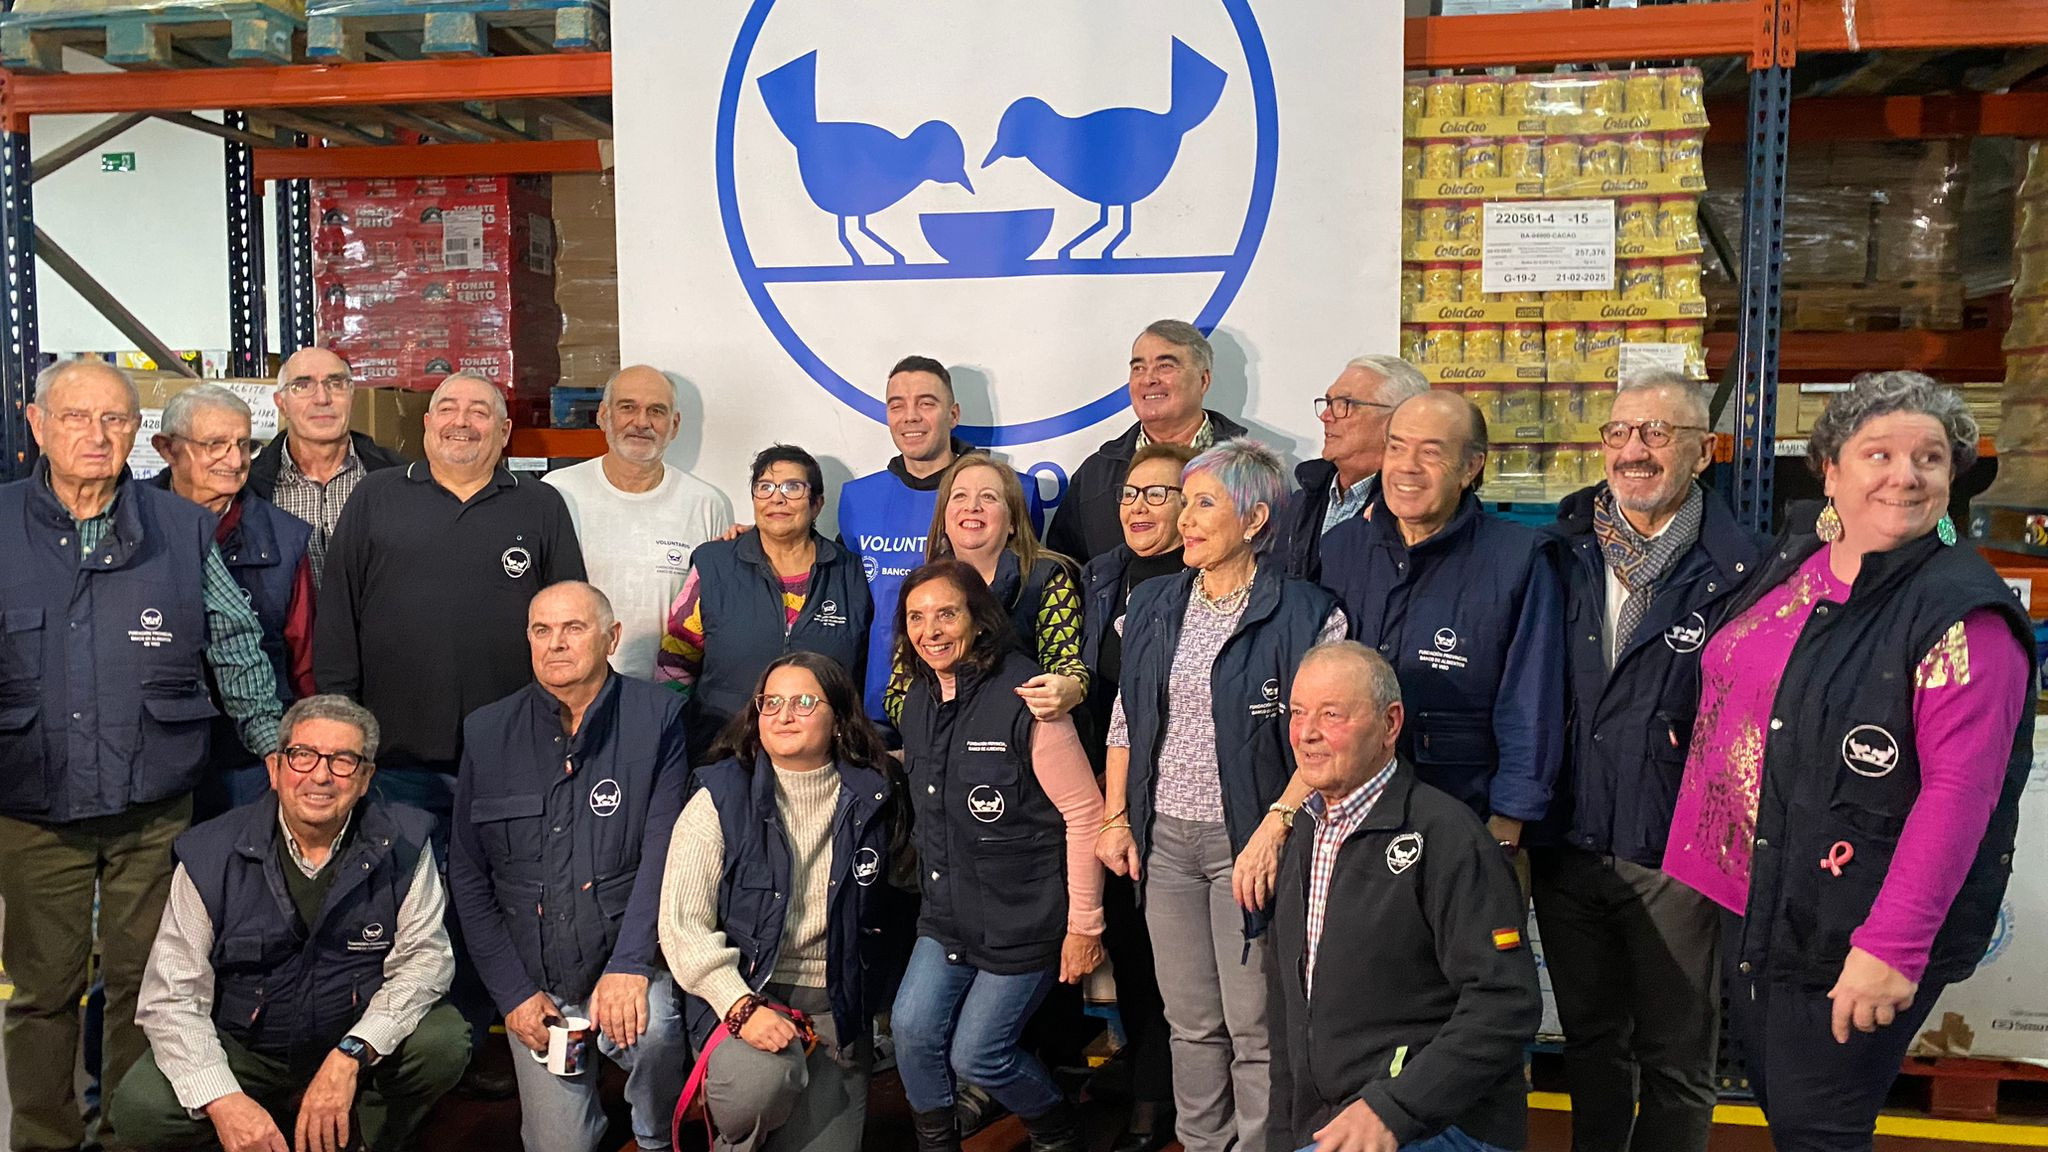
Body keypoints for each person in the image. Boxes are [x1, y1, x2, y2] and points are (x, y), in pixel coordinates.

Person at [1664, 371, 2035, 1152]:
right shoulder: (1804, 558)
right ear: (1830, 470)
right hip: (1760, 889)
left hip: (1845, 924)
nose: (1905, 475)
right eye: (1880, 454)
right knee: (1786, 1102)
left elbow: (1960, 794)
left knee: (1818, 1126)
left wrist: (1891, 948)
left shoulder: (1962, 617)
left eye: (1929, 458)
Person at [0, 358, 284, 1152]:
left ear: (138, 433)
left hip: (152, 799)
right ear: (38, 425)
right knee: (40, 994)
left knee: (146, 988)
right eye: (76, 419)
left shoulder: (184, 529)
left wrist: (273, 748)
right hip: (32, 802)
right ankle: (45, 1140)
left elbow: (234, 644)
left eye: (115, 420)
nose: (96, 436)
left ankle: (130, 1136)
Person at [1530, 373, 1761, 1152]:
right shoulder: (1558, 552)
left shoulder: (1743, 572)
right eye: (1621, 432)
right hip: (1570, 844)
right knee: (1592, 1045)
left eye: (1659, 434)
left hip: (1678, 858)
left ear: (1703, 451)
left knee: (1676, 1059)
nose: (1635, 451)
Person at [1096, 438, 1348, 1152]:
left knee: (1255, 1029)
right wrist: (1116, 816)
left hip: (1252, 845)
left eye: (1203, 505)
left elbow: (1323, 739)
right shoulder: (1150, 604)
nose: (1184, 520)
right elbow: (1126, 716)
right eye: (1186, 503)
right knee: (1190, 1023)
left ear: (1256, 519)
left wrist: (1276, 825)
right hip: (1164, 842)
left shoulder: (1307, 615)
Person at [108, 694, 469, 1152]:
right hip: (245, 1048)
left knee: (442, 1042)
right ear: (275, 769)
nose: (320, 775)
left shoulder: (405, 846)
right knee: (141, 1108)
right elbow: (172, 998)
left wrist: (350, 1056)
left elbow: (424, 963)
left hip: (349, 1036)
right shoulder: (210, 854)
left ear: (365, 779)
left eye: (343, 761)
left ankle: (362, 1138)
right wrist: (223, 1100)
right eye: (303, 756)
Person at [1269, 642, 1542, 1152]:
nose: (1307, 733)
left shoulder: (1449, 836)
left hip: (1442, 1124)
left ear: (1391, 724)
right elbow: (1287, 1015)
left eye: (1332, 715)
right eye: (1298, 712)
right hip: (1332, 1126)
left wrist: (1394, 1110)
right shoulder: (1305, 833)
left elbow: (1506, 1002)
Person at [451, 581, 692, 1152]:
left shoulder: (659, 716)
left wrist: (631, 963)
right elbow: (467, 874)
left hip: (628, 961)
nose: (555, 643)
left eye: (573, 628)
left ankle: (656, 1136)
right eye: (541, 630)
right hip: (537, 980)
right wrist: (512, 994)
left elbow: (667, 854)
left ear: (611, 638)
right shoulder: (486, 732)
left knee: (657, 1033)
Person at [891, 560, 1107, 1152]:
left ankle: (1056, 1130)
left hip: (1024, 918)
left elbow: (1085, 814)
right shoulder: (916, 700)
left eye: (946, 614)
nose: (930, 630)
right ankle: (938, 1144)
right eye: (916, 617)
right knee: (910, 1030)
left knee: (978, 1054)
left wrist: (1084, 926)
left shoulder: (1028, 698)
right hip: (948, 914)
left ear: (979, 621)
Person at [659, 651, 899, 1152]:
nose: (784, 715)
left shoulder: (876, 797)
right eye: (771, 703)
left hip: (837, 1009)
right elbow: (682, 926)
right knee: (763, 1083)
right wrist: (740, 1006)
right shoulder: (719, 796)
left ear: (838, 718)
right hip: (746, 992)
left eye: (804, 702)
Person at [315, 370, 587, 796]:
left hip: (514, 749)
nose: (461, 422)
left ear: (503, 431)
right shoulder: (375, 496)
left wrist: (568, 715)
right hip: (391, 755)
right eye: (447, 409)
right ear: (427, 424)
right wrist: (339, 721)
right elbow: (337, 615)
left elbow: (574, 621)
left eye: (479, 413)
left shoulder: (540, 505)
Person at [1316, 391, 1565, 850]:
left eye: (1430, 452)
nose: (1407, 466)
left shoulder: (1517, 559)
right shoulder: (1342, 548)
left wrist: (1509, 821)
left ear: (1471, 468)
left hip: (1465, 817)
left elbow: (1532, 702)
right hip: (1350, 818)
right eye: (1396, 447)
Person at [1075, 440, 1196, 1152]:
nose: (1139, 506)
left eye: (1160, 493)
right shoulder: (1100, 577)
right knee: (1128, 946)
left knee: (1176, 958)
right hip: (1108, 795)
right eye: (1131, 494)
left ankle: (1160, 1099)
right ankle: (1148, 1069)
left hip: (1182, 798)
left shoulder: (1207, 582)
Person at [152, 383, 318, 818]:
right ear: (168, 449)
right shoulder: (131, 523)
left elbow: (307, 663)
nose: (235, 460)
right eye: (215, 445)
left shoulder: (285, 538)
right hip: (155, 757)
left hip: (251, 762)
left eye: (244, 444)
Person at [658, 444, 871, 764]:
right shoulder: (714, 565)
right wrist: (671, 744)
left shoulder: (851, 573)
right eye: (765, 487)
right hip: (724, 756)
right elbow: (675, 661)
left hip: (825, 762)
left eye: (793, 487)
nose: (777, 497)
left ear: (817, 504)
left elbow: (865, 669)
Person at [543, 365, 733, 679]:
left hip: (670, 699)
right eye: (627, 407)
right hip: (576, 693)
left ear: (674, 425)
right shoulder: (558, 492)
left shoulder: (706, 505)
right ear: (602, 416)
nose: (641, 422)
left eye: (656, 411)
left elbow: (714, 614)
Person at [880, 453, 1086, 726]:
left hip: (1020, 741)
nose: (972, 506)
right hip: (939, 747)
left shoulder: (1046, 578)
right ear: (943, 517)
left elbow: (1067, 669)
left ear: (1013, 521)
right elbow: (898, 694)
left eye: (988, 497)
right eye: (960, 496)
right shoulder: (922, 587)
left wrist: (1070, 687)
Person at [838, 355, 976, 726]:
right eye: (897, 405)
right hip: (876, 708)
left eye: (926, 403)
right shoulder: (857, 500)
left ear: (954, 414)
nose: (910, 416)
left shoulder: (1001, 495)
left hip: (972, 706)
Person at [1043, 320, 1248, 564]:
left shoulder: (1246, 469)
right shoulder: (1096, 474)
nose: (1149, 379)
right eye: (1138, 368)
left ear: (1203, 381)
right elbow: (1068, 568)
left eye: (1165, 366)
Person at [248, 346, 404, 587]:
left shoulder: (399, 478)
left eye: (336, 383)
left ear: (352, 396)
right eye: (302, 385)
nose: (322, 398)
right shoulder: (249, 486)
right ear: (281, 403)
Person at [1278, 354, 1430, 581]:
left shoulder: (1415, 514)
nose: (1326, 416)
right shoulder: (1301, 501)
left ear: (1396, 420)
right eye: (1328, 402)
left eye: (1345, 404)